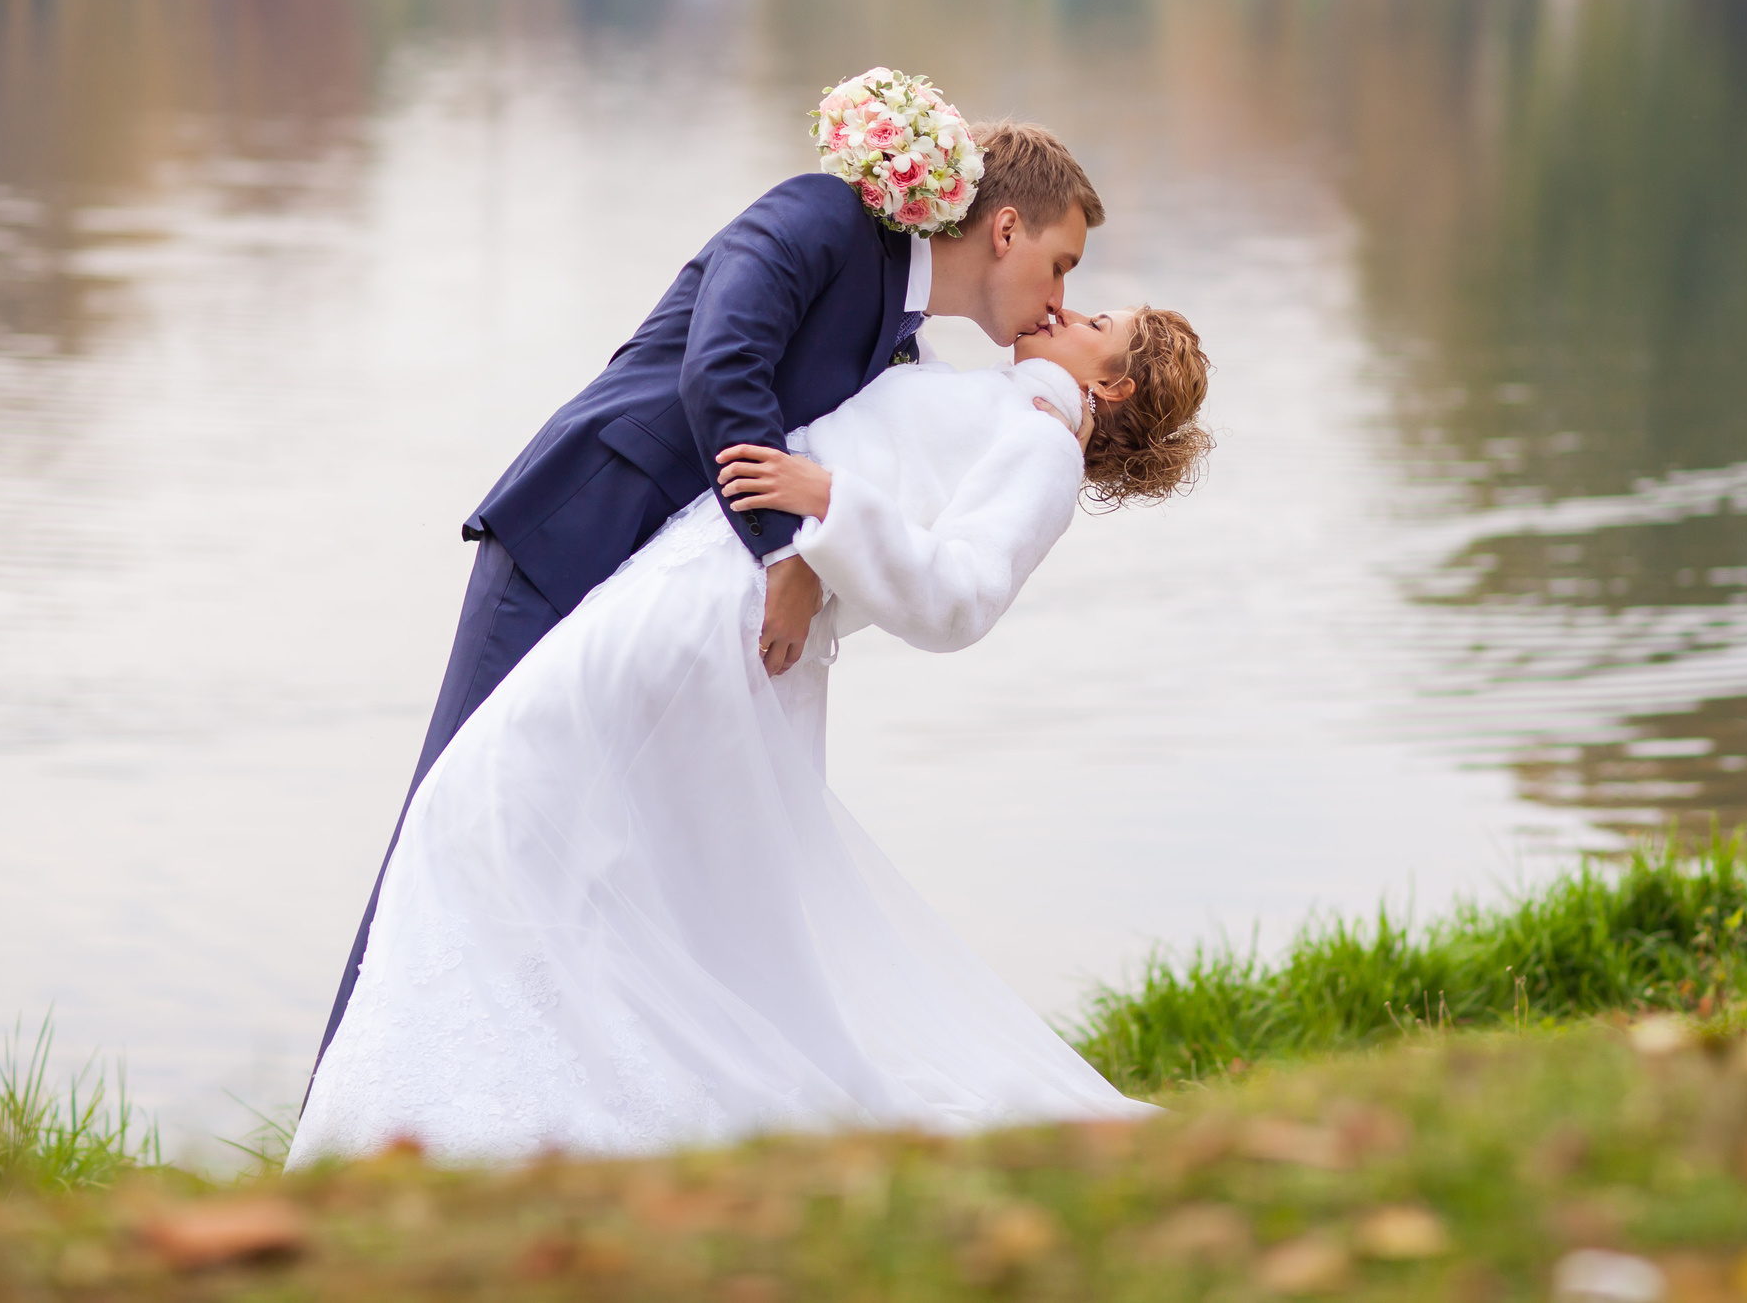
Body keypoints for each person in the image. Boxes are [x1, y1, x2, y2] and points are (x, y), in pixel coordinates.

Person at [289, 304, 1211, 1162]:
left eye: (1097, 321)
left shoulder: (1045, 443)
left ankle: (492, 1114)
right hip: (697, 581)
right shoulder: (996, 396)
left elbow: (959, 598)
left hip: (722, 619)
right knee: (574, 845)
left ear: (1114, 386)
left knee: (479, 797)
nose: (1065, 307)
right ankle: (531, 1105)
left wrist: (828, 505)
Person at [312, 117, 1106, 1081]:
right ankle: (343, 1104)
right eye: (1060, 263)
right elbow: (719, 364)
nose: (1060, 298)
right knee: (453, 819)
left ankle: (522, 1096)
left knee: (592, 860)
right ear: (1008, 229)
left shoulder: (905, 339)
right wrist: (784, 555)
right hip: (577, 532)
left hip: (660, 594)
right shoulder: (822, 215)